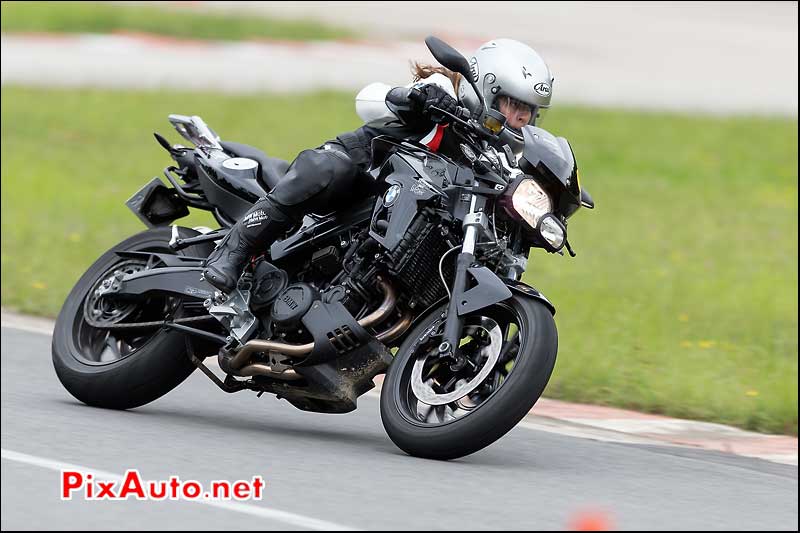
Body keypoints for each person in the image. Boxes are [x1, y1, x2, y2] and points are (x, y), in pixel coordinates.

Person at [202, 38, 554, 293]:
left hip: (407, 222)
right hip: (364, 175)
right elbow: (367, 100)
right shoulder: (442, 91)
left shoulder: (501, 156)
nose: (521, 117)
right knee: (329, 170)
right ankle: (235, 249)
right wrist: (413, 97)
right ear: (488, 87)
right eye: (513, 103)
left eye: (530, 111)